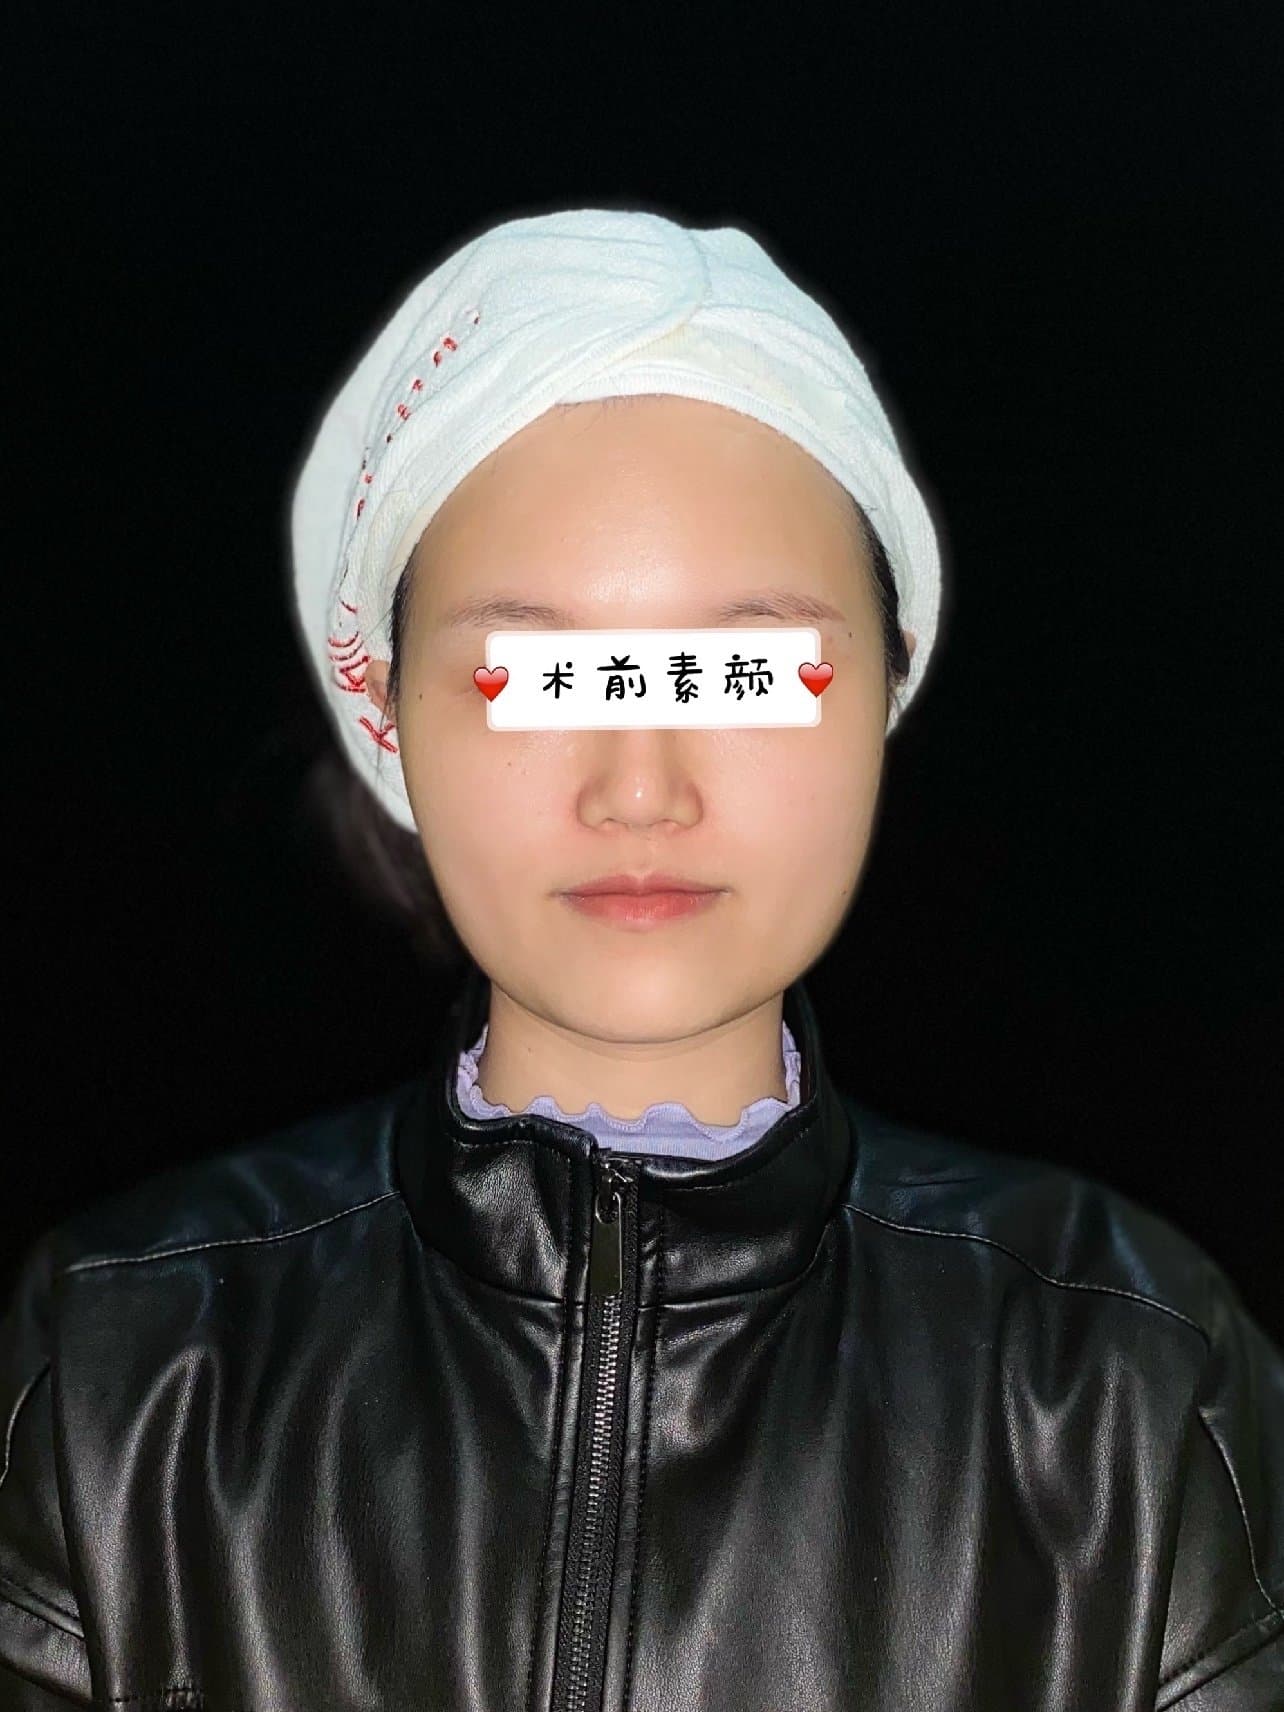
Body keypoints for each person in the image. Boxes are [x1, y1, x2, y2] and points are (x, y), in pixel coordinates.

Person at [1, 208, 1280, 1710]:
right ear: (390, 712)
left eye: (744, 670)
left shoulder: (1131, 1385)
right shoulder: (123, 1368)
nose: (640, 786)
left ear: (887, 689)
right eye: (535, 675)